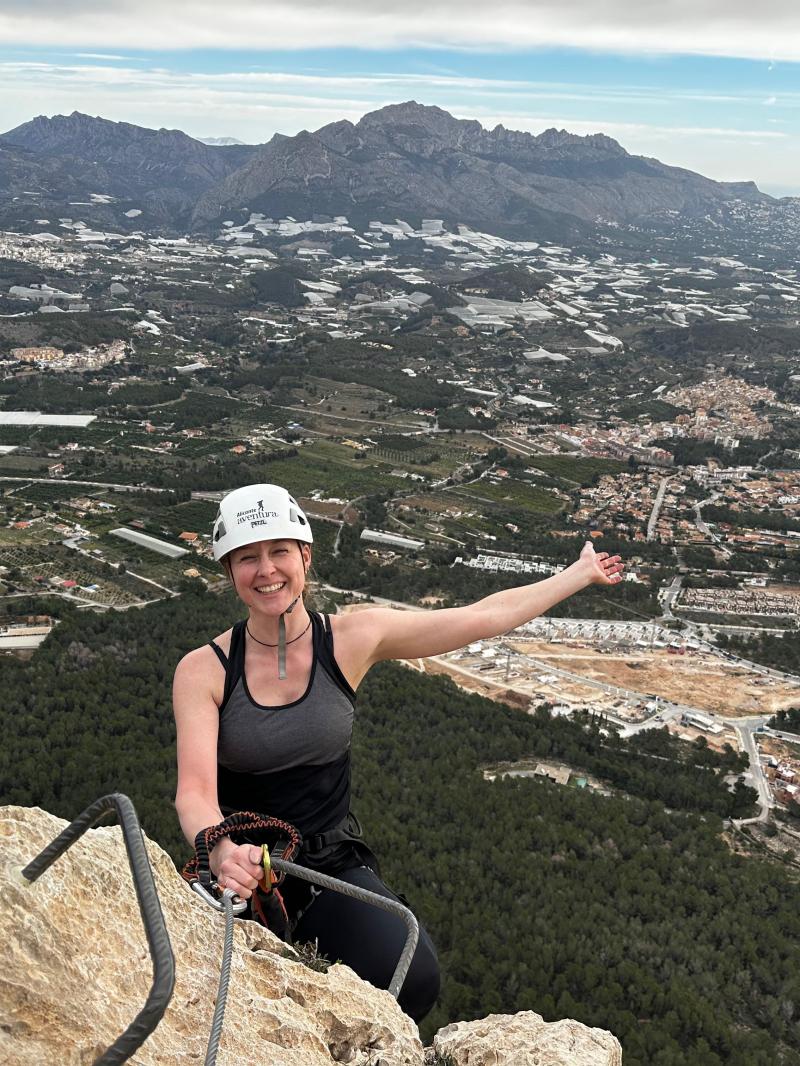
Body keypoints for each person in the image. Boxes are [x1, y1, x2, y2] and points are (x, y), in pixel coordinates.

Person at [173, 484, 624, 1022]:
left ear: (305, 556)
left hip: (329, 861)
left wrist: (578, 575)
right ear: (230, 571)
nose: (266, 570)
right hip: (241, 867)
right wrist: (222, 851)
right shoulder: (203, 670)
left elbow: (480, 618)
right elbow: (195, 794)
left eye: (280, 552)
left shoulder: (353, 637)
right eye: (248, 557)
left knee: (413, 978)